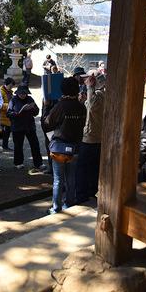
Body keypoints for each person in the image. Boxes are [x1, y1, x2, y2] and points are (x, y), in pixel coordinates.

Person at [44, 77, 86, 214]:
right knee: (71, 178)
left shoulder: (60, 106)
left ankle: (56, 208)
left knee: (58, 180)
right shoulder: (81, 107)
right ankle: (70, 203)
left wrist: (46, 106)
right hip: (75, 148)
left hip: (60, 149)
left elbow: (48, 122)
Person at [76, 70, 105, 204]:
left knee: (83, 168)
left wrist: (89, 87)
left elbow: (92, 107)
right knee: (93, 167)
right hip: (97, 137)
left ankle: (82, 195)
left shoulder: (99, 94)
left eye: (87, 79)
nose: (85, 81)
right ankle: (91, 192)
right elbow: (90, 107)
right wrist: (84, 100)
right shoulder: (98, 94)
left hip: (92, 137)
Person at [7, 85, 45, 172]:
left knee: (35, 145)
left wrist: (32, 108)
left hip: (29, 126)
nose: (23, 95)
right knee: (18, 146)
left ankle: (38, 163)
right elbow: (9, 113)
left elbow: (36, 111)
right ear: (18, 93)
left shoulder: (30, 99)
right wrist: (17, 113)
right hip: (17, 126)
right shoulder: (13, 100)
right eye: (21, 93)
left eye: (25, 93)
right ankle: (18, 163)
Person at [0, 77, 15, 151]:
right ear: (6, 84)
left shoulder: (11, 92)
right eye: (10, 86)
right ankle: (1, 146)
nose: (11, 87)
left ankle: (5, 145)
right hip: (2, 116)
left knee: (8, 132)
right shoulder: (0, 92)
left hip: (9, 116)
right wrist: (9, 106)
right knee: (3, 132)